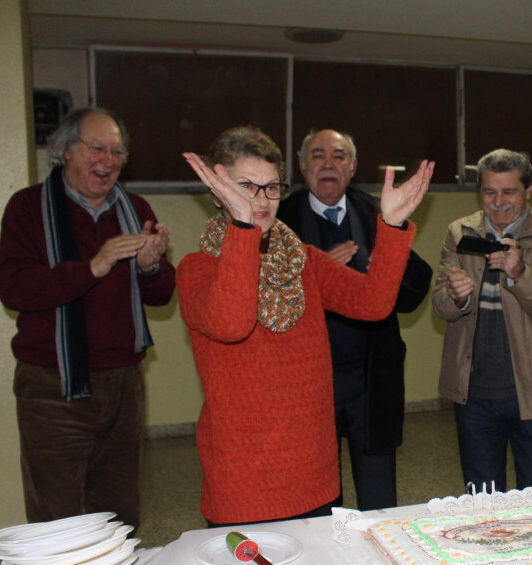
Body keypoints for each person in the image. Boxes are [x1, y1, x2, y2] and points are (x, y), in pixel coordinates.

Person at [177, 126, 433, 526]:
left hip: (314, 477)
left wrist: (393, 226)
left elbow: (373, 304)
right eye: (246, 186)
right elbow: (231, 324)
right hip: (244, 484)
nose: (260, 201)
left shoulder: (305, 261)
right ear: (218, 190)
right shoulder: (197, 270)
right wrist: (244, 231)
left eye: (271, 187)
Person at [0, 107, 175, 530]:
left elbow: (163, 294)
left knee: (119, 513)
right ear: (67, 151)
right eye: (97, 148)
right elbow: (14, 287)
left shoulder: (135, 208)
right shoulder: (27, 207)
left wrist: (150, 266)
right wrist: (92, 268)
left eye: (117, 152)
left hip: (123, 384)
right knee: (56, 517)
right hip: (52, 384)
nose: (108, 161)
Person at [276, 129, 432, 511]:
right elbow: (266, 300)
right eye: (317, 155)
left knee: (380, 503)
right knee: (315, 504)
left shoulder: (377, 213)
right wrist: (317, 273)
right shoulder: (278, 220)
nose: (328, 163)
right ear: (301, 166)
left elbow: (414, 291)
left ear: (354, 166)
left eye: (339, 155)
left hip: (371, 381)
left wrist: (388, 271)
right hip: (307, 383)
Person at [431, 149, 532, 492]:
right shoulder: (459, 232)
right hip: (474, 395)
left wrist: (520, 274)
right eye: (489, 192)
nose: (498, 202)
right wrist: (458, 297)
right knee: (482, 503)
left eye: (509, 192)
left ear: (529, 190)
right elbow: (439, 305)